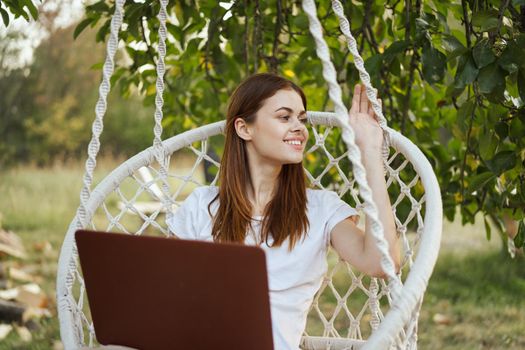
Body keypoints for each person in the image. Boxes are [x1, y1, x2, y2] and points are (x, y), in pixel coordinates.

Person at [166, 73, 400, 350]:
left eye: (301, 119)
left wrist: (370, 154)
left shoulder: (320, 208)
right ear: (244, 128)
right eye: (284, 117)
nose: (300, 128)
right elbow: (167, 296)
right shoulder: (200, 206)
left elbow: (382, 263)